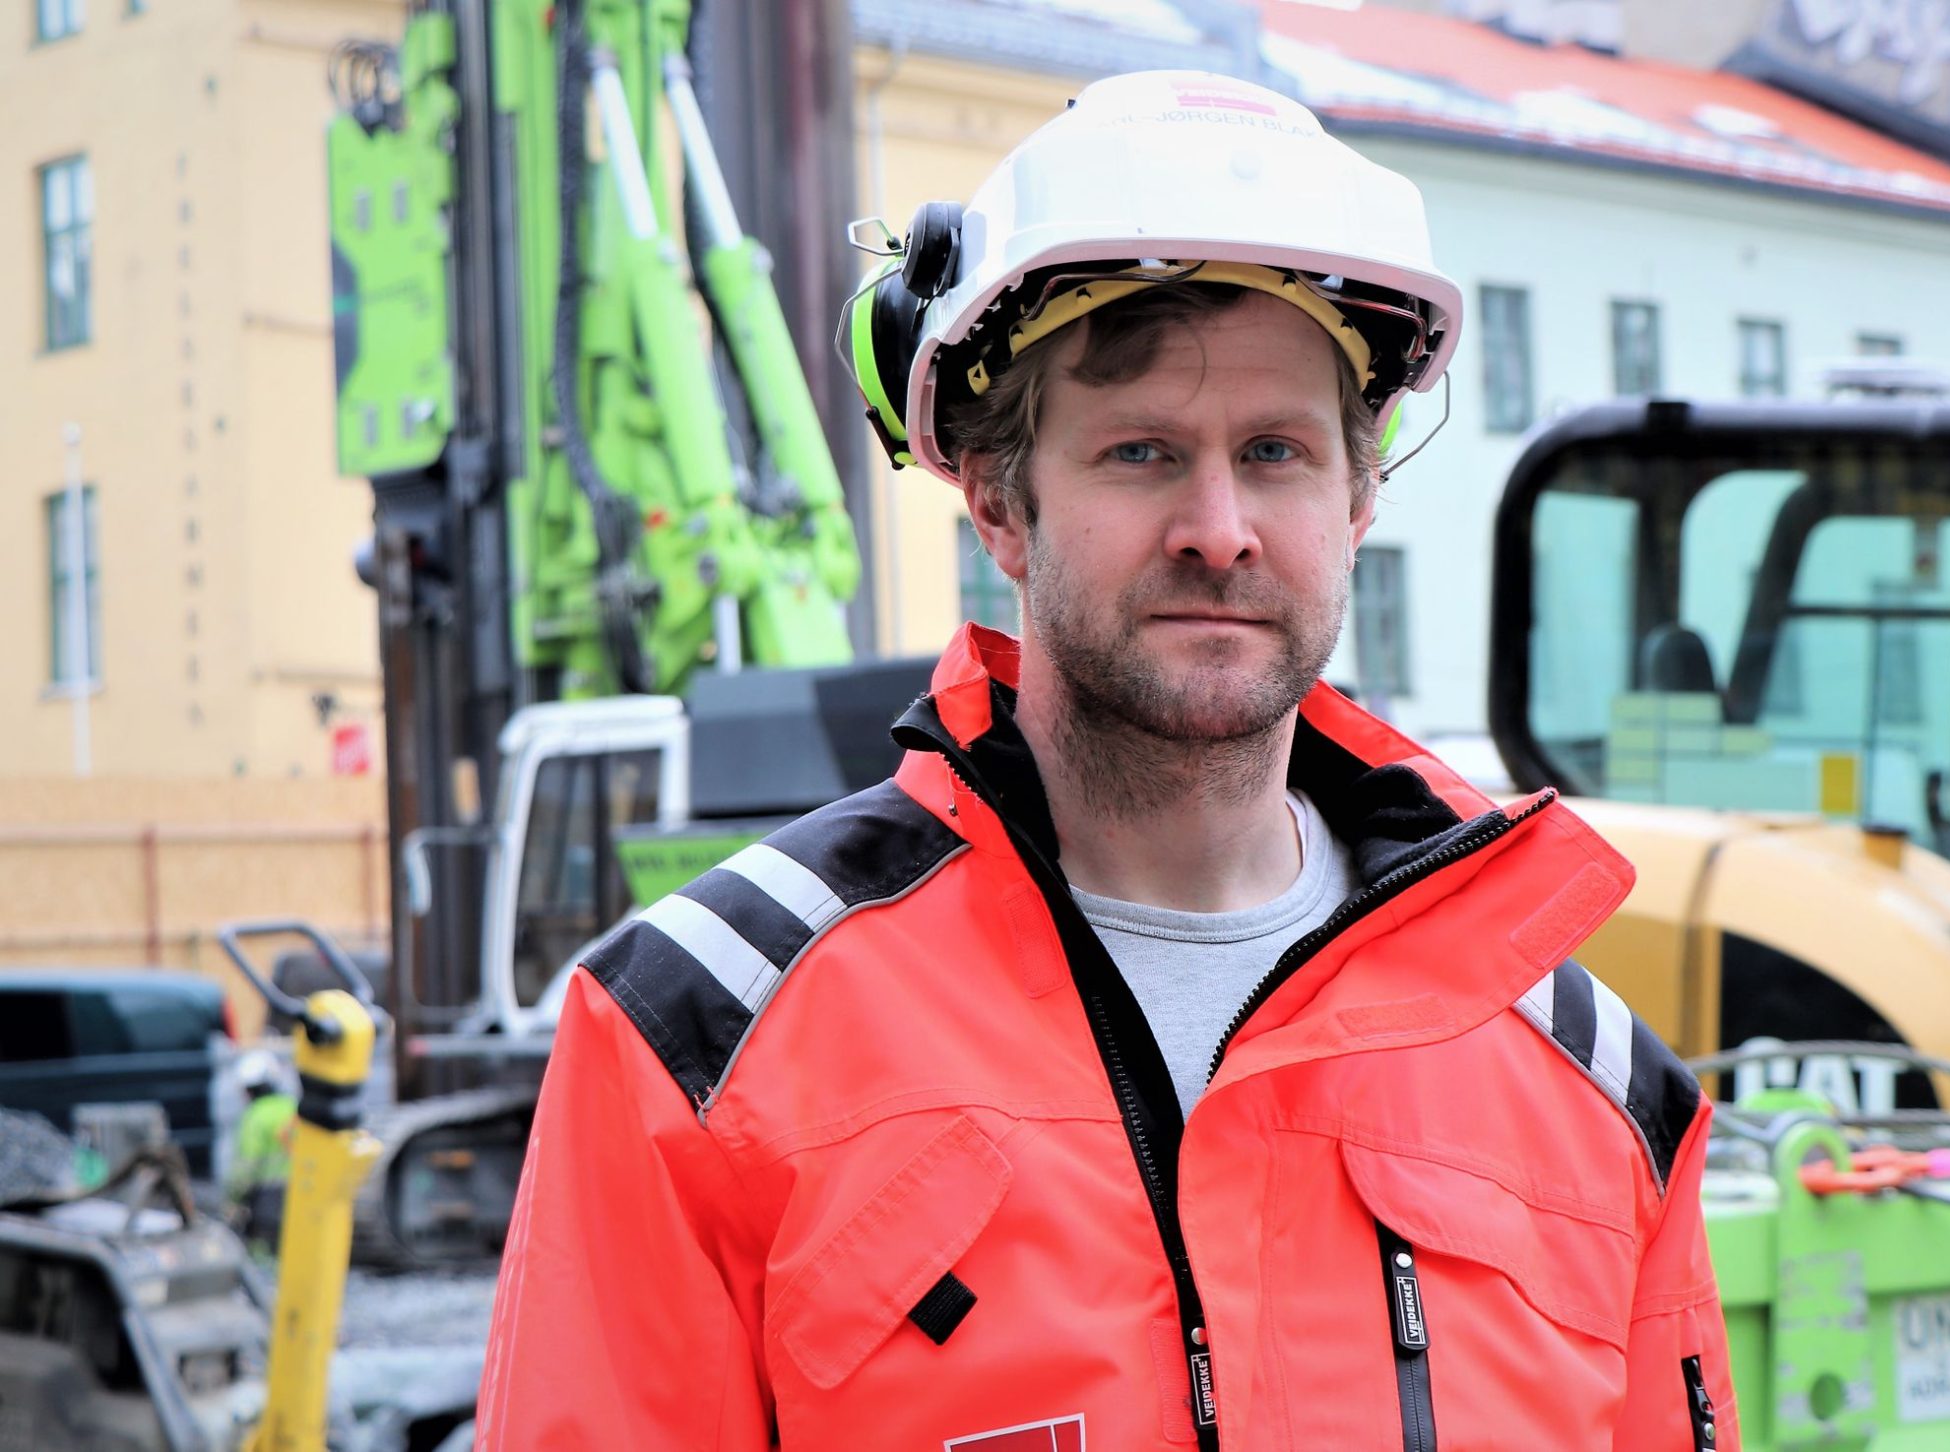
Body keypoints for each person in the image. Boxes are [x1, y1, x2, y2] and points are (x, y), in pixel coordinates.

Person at [478, 69, 1733, 1450]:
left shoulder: (1599, 1090)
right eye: (1140, 453)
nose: (1219, 526)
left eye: (1275, 452)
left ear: (1360, 495)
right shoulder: (698, 1045)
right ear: (1001, 503)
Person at [225, 1048, 294, 1251]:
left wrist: (233, 1199)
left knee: (263, 1255)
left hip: (267, 1200)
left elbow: (246, 1167)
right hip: (300, 1191)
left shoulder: (255, 1117)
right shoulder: (292, 1107)